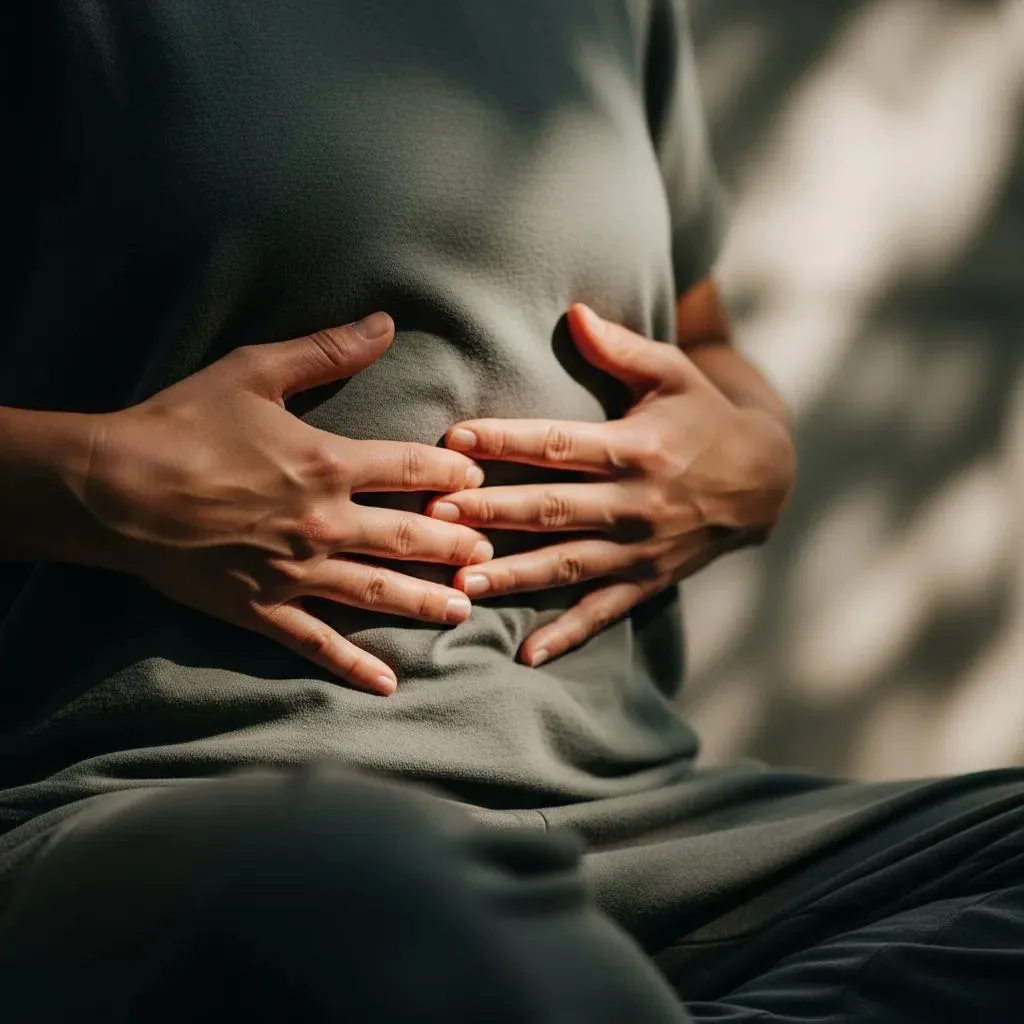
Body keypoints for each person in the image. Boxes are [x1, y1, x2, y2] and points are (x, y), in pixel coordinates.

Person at [1, 2, 1022, 1020]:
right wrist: (98, 480)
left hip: (639, 823)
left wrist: (755, 452)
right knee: (376, 889)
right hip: (150, 803)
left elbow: (704, 339)